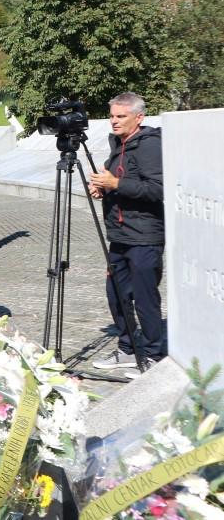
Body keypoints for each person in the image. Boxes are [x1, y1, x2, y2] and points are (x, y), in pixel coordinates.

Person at [88, 92, 165, 379]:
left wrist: (116, 183)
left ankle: (155, 355)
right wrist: (103, 187)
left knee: (145, 298)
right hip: (119, 235)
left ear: (139, 117)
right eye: (112, 116)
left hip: (145, 235)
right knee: (116, 294)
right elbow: (118, 182)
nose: (114, 121)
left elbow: (157, 190)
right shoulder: (117, 144)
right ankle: (128, 348)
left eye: (121, 116)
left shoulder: (149, 146)